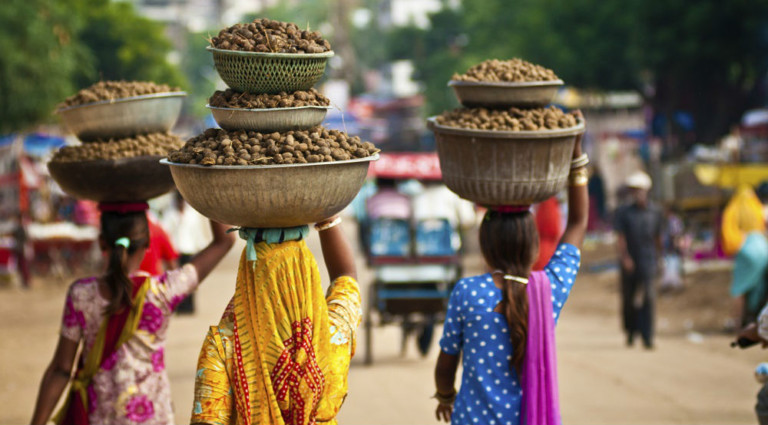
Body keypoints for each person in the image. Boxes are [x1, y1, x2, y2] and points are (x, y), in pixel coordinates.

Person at [30, 202, 235, 425]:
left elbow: (61, 369)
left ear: (101, 242)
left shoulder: (81, 294)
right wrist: (205, 185)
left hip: (98, 416)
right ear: (147, 243)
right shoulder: (162, 292)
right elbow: (224, 241)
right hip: (152, 417)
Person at [433, 131, 588, 425]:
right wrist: (576, 154)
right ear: (532, 244)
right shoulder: (548, 290)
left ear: (486, 247)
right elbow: (578, 222)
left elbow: (446, 363)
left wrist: (444, 395)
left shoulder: (467, 292)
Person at [191, 215, 361, 425]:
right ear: (307, 274)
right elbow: (346, 277)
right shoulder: (332, 335)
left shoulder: (223, 346)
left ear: (249, 276)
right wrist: (328, 219)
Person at [614, 171, 662, 349]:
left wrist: (659, 258)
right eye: (634, 191)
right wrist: (625, 257)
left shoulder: (656, 212)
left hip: (648, 259)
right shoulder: (623, 212)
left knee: (649, 297)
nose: (637, 194)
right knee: (629, 299)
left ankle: (648, 336)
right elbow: (620, 237)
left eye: (640, 190)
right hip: (630, 260)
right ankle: (631, 331)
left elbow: (658, 237)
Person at [722, 186, 768, 325]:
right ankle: (757, 321)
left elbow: (728, 232)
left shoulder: (734, 208)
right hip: (763, 248)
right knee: (759, 287)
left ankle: (737, 322)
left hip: (747, 248)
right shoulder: (758, 208)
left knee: (739, 290)